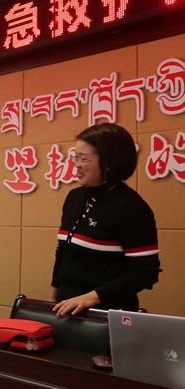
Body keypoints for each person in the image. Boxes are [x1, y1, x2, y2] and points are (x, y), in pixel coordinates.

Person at [51, 123, 161, 316]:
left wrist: (91, 297)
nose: (76, 164)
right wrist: (54, 296)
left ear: (109, 162)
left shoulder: (131, 207)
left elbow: (145, 272)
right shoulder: (74, 197)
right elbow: (63, 252)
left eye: (83, 159)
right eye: (75, 157)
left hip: (106, 314)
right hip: (66, 308)